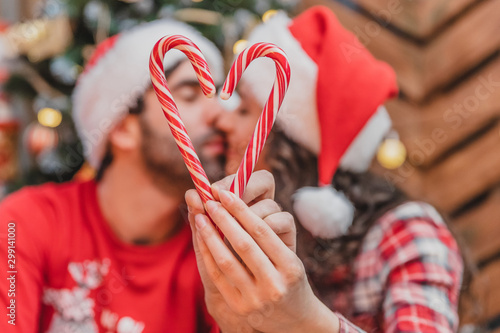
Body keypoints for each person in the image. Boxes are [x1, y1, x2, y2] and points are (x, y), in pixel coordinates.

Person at [0, 19, 292, 333]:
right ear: (123, 128)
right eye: (191, 95)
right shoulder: (25, 223)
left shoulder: (217, 250)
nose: (221, 115)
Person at [187, 6, 464, 333]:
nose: (221, 119)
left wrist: (304, 318)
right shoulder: (250, 236)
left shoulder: (407, 233)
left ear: (292, 144)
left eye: (245, 109)